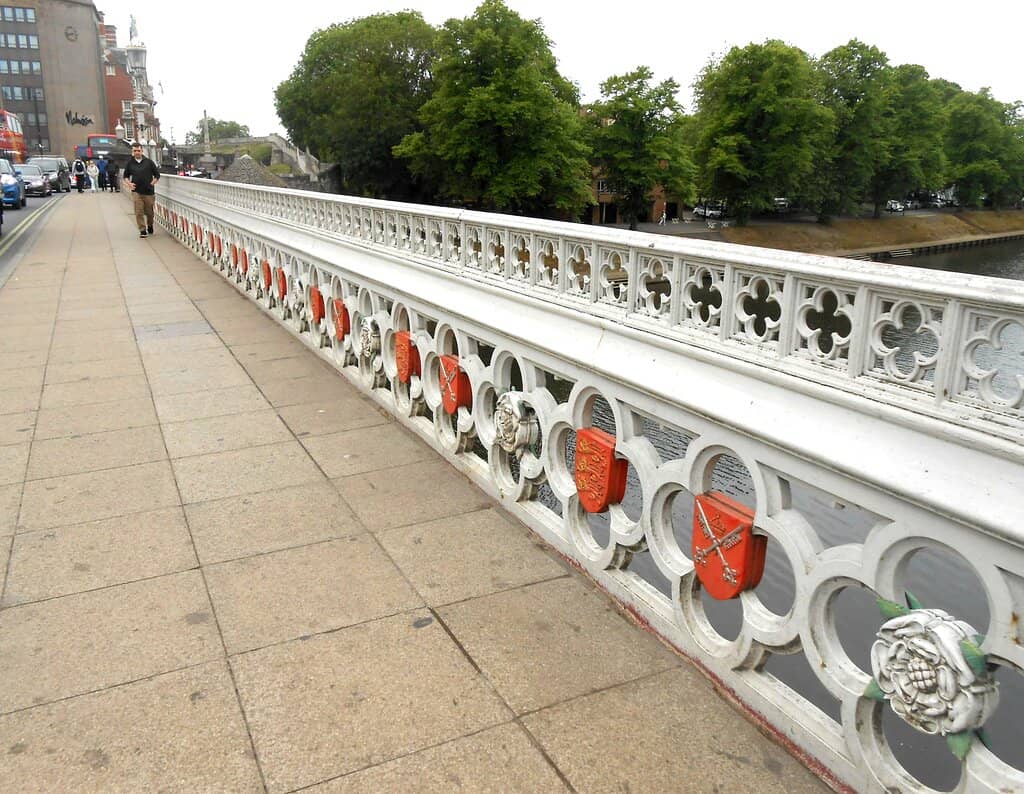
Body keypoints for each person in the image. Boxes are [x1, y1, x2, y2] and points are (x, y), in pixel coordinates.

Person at [122, 143, 160, 237]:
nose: (137, 152)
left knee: (149, 212)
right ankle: (142, 230)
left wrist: (152, 183)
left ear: (142, 151)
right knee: (138, 211)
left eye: (138, 150)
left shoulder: (149, 162)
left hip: (148, 191)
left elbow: (157, 175)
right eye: (135, 151)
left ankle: (150, 225)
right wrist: (129, 184)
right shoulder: (130, 163)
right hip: (136, 191)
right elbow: (125, 176)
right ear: (132, 152)